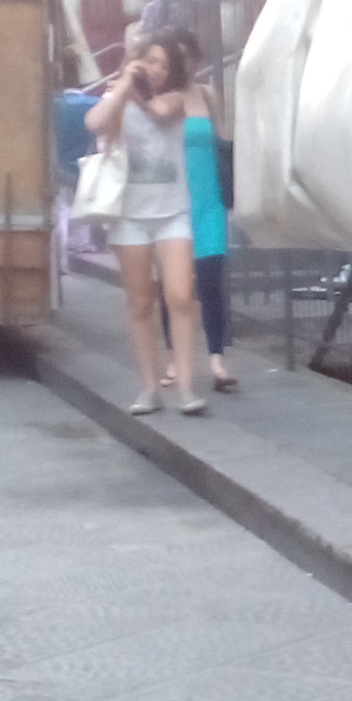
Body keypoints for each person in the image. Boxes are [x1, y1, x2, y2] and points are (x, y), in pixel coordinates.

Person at [85, 33, 203, 416]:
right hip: (129, 215)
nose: (156, 69)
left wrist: (136, 94)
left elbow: (160, 114)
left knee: (180, 296)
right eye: (150, 61)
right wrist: (122, 85)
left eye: (164, 65)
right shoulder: (118, 98)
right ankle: (149, 389)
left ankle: (185, 387)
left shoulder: (177, 98)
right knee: (139, 303)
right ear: (138, 60)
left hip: (173, 212)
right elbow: (94, 122)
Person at [169, 30, 237, 394]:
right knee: (173, 285)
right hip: (175, 202)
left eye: (188, 56)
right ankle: (172, 357)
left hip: (209, 201)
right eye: (177, 57)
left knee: (211, 281)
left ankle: (216, 360)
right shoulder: (164, 100)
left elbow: (221, 141)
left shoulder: (208, 95)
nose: (184, 64)